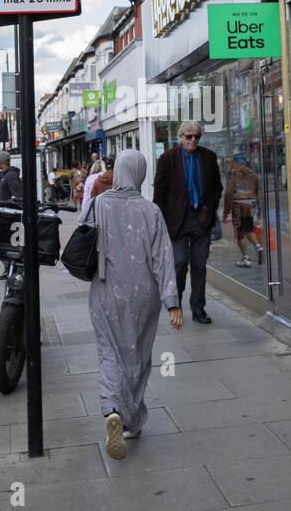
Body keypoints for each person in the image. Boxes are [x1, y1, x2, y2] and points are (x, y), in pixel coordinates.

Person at [86, 150, 183, 459]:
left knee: (109, 353)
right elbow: (163, 259)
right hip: (143, 297)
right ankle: (131, 419)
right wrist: (173, 303)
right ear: (140, 173)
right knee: (138, 357)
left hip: (105, 292)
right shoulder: (151, 211)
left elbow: (81, 235)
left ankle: (111, 409)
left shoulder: (99, 203)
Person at [153, 120, 222, 324]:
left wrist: (209, 209)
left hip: (201, 219)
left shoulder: (208, 157)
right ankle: (177, 304)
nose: (193, 140)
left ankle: (198, 308)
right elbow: (160, 192)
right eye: (188, 136)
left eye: (196, 136)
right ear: (180, 137)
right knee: (179, 262)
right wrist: (162, 221)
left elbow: (217, 187)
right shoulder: (167, 159)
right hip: (177, 221)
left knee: (199, 264)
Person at [223, 155, 263, 268]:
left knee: (240, 234)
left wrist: (226, 213)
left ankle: (246, 258)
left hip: (238, 208)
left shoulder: (234, 175)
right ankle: (259, 247)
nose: (229, 165)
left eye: (231, 163)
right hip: (250, 207)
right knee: (248, 229)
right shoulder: (253, 175)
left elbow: (228, 194)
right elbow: (257, 192)